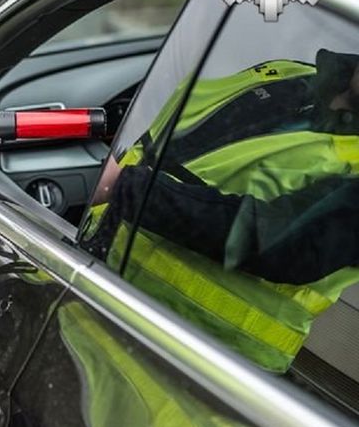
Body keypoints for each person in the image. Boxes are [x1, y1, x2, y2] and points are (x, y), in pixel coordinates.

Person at [84, 49, 359, 374]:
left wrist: (122, 186)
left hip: (204, 365)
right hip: (100, 289)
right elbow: (163, 145)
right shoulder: (288, 74)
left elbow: (287, 243)